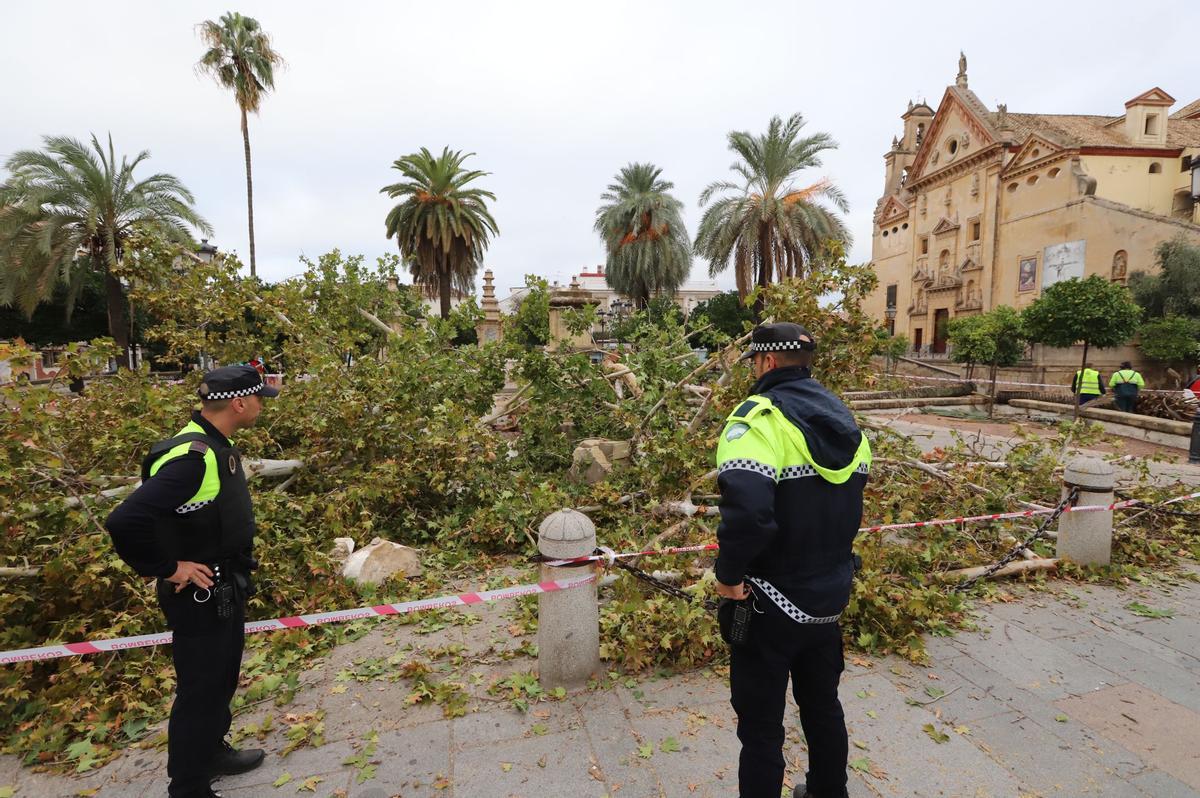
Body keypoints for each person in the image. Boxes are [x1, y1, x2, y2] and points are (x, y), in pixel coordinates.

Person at [713, 322, 871, 798]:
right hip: (829, 598)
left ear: (765, 362)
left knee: (761, 726)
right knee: (823, 705)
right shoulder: (845, 422)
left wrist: (728, 578)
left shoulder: (757, 420)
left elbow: (748, 514)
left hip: (770, 602)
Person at [106, 365, 278, 798]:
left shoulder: (214, 443)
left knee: (220, 678)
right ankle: (188, 787)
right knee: (201, 688)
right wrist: (169, 567)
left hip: (224, 585)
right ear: (239, 403)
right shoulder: (192, 459)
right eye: (259, 398)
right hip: (198, 594)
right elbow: (125, 520)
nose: (262, 405)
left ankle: (211, 751)